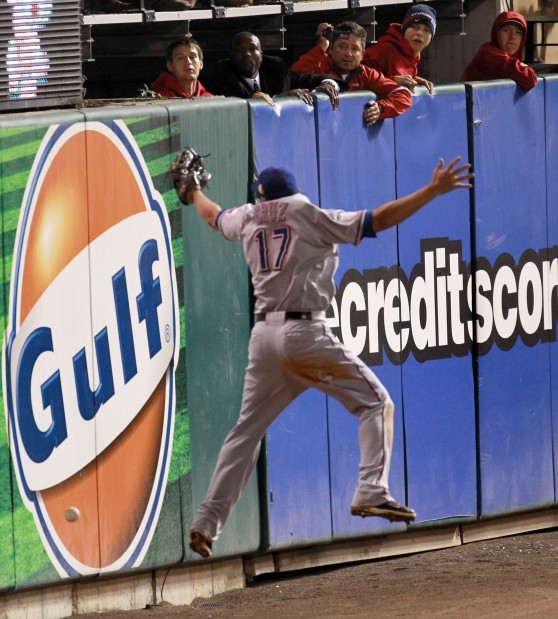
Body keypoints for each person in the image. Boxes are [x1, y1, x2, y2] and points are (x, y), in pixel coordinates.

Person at [177, 156, 473, 558]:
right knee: (376, 403)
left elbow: (213, 216)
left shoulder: (247, 216)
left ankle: (206, 523)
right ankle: (371, 489)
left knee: (245, 433)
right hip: (304, 333)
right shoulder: (302, 211)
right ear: (293, 190)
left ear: (259, 195)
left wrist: (193, 192)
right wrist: (431, 191)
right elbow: (377, 221)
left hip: (263, 337)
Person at [290, 21, 412, 126]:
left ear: (362, 54)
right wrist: (322, 46)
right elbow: (292, 77)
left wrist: (380, 108)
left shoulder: (366, 74)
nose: (348, 53)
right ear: (331, 49)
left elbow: (403, 95)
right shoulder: (318, 65)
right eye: (342, 46)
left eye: (355, 49)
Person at [205, 32, 343, 109]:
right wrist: (279, 99)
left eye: (252, 49)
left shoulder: (274, 68)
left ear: (261, 54)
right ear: (231, 55)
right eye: (239, 50)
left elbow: (307, 79)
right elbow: (238, 106)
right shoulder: (222, 75)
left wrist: (328, 85)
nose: (246, 54)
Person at [361, 4, 437, 94]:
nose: (420, 33)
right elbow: (356, 80)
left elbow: (394, 76)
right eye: (414, 27)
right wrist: (392, 80)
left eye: (427, 30)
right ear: (404, 29)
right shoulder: (389, 50)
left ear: (431, 37)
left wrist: (414, 79)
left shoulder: (411, 52)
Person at [460, 11, 538, 92]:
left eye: (518, 32)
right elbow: (530, 79)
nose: (512, 36)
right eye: (506, 30)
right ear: (496, 33)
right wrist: (522, 67)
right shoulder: (488, 54)